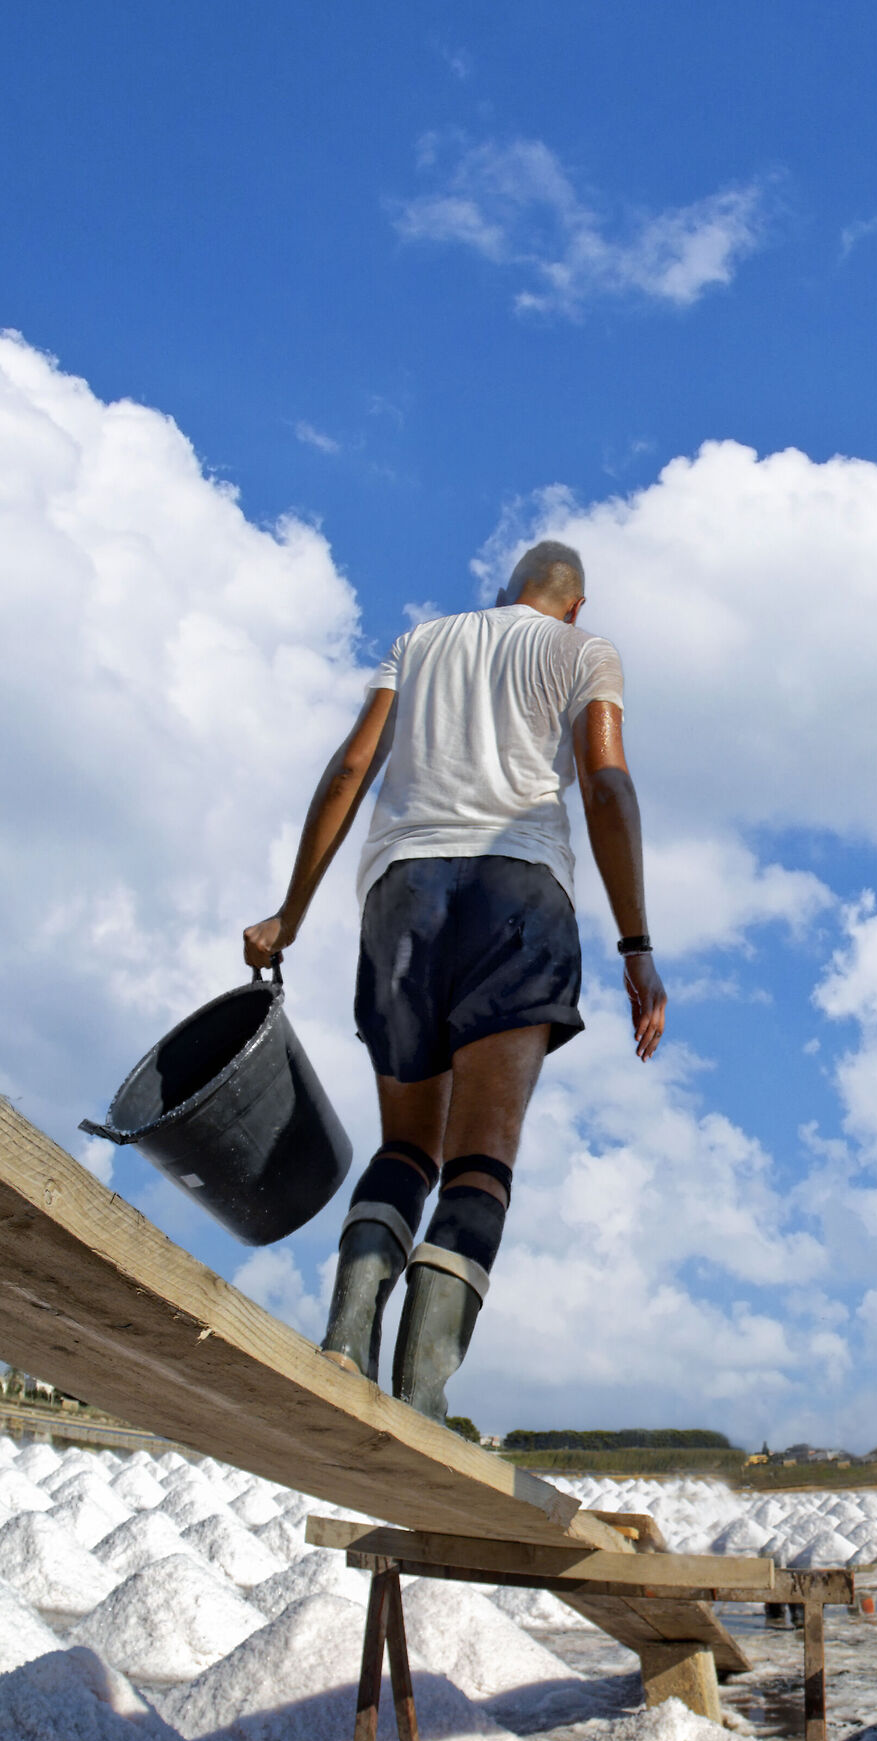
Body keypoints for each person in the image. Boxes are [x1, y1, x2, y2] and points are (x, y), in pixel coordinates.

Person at [243, 540, 666, 1419]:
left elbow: (351, 769)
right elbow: (608, 786)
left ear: (503, 591)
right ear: (576, 606)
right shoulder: (585, 652)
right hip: (517, 893)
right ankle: (423, 1396)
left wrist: (291, 912)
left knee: (405, 1148)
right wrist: (636, 942)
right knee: (479, 1163)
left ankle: (343, 1349)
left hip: (401, 895)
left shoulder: (422, 640)